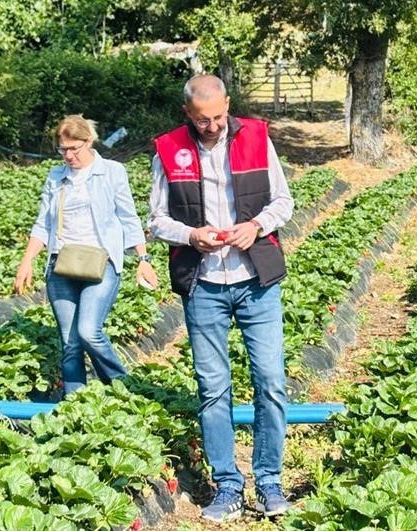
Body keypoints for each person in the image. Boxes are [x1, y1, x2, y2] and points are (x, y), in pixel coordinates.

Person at [149, 75, 295, 521]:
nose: (212, 126)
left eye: (217, 117)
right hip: (204, 285)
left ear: (228, 104)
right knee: (213, 389)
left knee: (269, 381)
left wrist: (256, 226)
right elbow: (156, 220)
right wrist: (191, 235)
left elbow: (283, 201)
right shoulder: (168, 149)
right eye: (201, 120)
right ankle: (228, 484)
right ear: (187, 114)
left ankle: (269, 481)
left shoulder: (256, 137)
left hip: (256, 281)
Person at [13, 115, 159, 395]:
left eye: (74, 149)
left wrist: (143, 260)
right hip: (61, 264)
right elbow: (43, 223)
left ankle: (123, 388)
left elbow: (129, 218)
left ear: (88, 142)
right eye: (62, 150)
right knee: (70, 342)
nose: (68, 156)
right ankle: (74, 403)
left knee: (88, 331)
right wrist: (27, 260)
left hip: (101, 263)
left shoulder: (112, 172)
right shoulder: (56, 178)